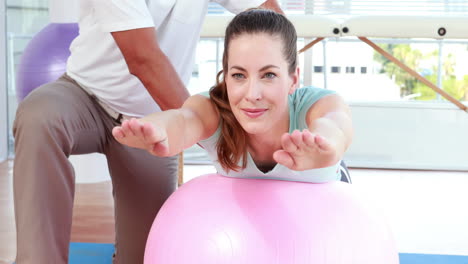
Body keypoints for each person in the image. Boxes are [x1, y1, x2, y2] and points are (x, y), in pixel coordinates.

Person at [12, 1, 283, 263]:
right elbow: (142, 58)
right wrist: (212, 136)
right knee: (39, 116)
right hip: (84, 96)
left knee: (146, 255)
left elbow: (268, 12)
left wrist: (279, 71)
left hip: (151, 124)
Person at [112, 9, 353, 185]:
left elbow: (334, 124)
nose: (252, 94)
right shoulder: (212, 108)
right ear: (225, 76)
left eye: (268, 75)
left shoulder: (320, 104)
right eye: (239, 75)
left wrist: (325, 145)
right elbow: (184, 120)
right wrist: (156, 129)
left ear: (293, 79)